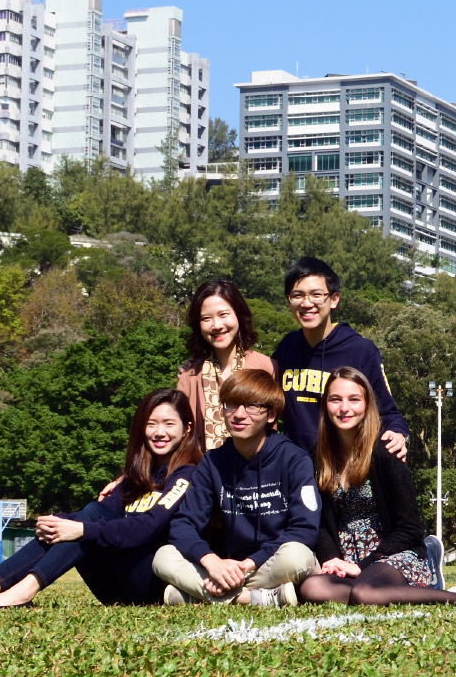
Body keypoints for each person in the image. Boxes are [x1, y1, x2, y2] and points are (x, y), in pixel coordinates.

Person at [0, 389, 203, 609]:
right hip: (114, 586)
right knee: (80, 519)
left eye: (169, 424)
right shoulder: (135, 476)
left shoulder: (186, 475)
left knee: (87, 522)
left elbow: (145, 529)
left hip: (150, 585)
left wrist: (78, 528)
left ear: (187, 429)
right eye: (151, 423)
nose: (159, 432)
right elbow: (98, 515)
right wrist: (57, 524)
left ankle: (21, 592)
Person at [298, 367, 456, 609]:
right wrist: (332, 559)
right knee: (312, 588)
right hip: (349, 557)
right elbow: (321, 522)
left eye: (354, 399)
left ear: (367, 405)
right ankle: (401, 592)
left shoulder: (386, 451)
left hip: (391, 553)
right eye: (336, 399)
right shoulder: (318, 458)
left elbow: (410, 528)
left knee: (365, 593)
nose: (345, 408)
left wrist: (362, 565)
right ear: (325, 405)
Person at [153, 369, 320, 606]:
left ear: (271, 415)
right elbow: (183, 524)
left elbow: (304, 529)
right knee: (163, 557)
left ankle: (203, 595)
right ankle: (254, 599)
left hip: (270, 562)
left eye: (251, 406)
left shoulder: (294, 459)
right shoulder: (213, 462)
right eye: (231, 405)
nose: (239, 415)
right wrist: (212, 562)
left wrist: (250, 563)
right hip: (227, 567)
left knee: (298, 556)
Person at [271, 257, 408, 458]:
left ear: (334, 299)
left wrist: (398, 434)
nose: (307, 303)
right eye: (297, 295)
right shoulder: (286, 347)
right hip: (295, 473)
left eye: (316, 295)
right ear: (288, 300)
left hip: (344, 472)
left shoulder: (360, 350)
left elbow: (389, 413)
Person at [178, 279, 275, 450]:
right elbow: (181, 435)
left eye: (223, 315)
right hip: (203, 472)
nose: (216, 325)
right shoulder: (190, 376)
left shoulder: (266, 367)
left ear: (238, 315)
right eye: (206, 318)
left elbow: (273, 429)